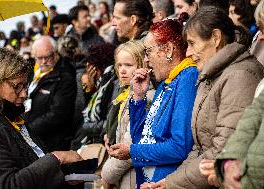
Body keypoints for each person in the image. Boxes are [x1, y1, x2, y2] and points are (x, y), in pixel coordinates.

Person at [144, 6, 264, 189]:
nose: (187, 53)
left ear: (216, 38)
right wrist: (169, 182)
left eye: (192, 43)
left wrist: (171, 183)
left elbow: (221, 150)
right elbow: (198, 148)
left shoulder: (239, 76)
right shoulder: (212, 76)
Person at [108, 15, 198, 189]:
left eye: (148, 51)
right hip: (147, 181)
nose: (146, 59)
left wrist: (132, 151)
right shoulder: (166, 82)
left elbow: (179, 147)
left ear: (169, 50)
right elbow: (140, 137)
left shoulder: (188, 77)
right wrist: (139, 98)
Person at [0, 47, 83, 189]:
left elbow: (34, 164)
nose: (24, 94)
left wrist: (66, 174)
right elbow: (6, 185)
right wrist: (56, 158)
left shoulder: (12, 116)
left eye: (25, 86)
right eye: (17, 86)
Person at [101, 40, 155, 189]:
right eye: (119, 65)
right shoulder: (124, 94)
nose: (122, 70)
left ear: (143, 66)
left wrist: (106, 174)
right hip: (122, 175)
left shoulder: (147, 97)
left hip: (133, 176)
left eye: (128, 65)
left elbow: (130, 147)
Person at [25, 36, 76, 152]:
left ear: (55, 53)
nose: (43, 61)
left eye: (47, 57)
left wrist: (27, 130)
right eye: (39, 58)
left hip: (52, 141)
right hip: (31, 134)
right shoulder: (32, 71)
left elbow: (57, 115)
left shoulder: (64, 77)